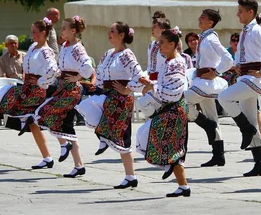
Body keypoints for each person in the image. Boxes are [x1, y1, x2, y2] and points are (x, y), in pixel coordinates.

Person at [75, 22, 143, 189]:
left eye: (112, 31)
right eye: (109, 31)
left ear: (121, 35)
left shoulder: (127, 55)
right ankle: (105, 136)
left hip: (120, 99)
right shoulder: (108, 54)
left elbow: (139, 76)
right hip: (106, 95)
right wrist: (94, 85)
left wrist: (128, 90)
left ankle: (130, 176)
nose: (109, 34)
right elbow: (99, 73)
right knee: (85, 107)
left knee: (122, 137)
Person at [218, 0, 261, 177]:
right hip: (244, 78)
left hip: (253, 80)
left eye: (240, 11)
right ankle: (260, 163)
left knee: (224, 97)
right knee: (251, 118)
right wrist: (238, 64)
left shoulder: (256, 31)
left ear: (250, 12)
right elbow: (244, 53)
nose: (237, 14)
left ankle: (246, 129)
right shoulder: (246, 30)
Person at [34, 16, 94, 177]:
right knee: (64, 124)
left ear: (73, 31)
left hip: (71, 89)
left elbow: (88, 66)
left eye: (65, 28)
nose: (62, 31)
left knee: (47, 114)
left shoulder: (77, 48)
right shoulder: (66, 46)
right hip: (62, 87)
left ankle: (65, 146)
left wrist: (78, 77)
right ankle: (78, 165)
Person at [0, 19, 59, 169]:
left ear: (44, 33)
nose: (32, 35)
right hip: (27, 86)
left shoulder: (46, 51)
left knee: (35, 117)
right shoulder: (32, 47)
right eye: (32, 31)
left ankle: (64, 143)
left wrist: (42, 81)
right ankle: (47, 157)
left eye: (35, 32)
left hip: (36, 89)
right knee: (33, 122)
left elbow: (53, 70)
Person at [136, 28, 191, 197]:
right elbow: (165, 86)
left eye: (162, 42)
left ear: (172, 44)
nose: (158, 45)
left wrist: (152, 88)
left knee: (163, 143)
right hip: (169, 108)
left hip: (174, 109)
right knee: (157, 140)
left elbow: (173, 90)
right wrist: (151, 84)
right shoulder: (168, 62)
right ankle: (182, 185)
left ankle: (181, 183)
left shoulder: (176, 63)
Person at [185, 9, 233, 167]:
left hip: (206, 83)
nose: (199, 19)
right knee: (212, 116)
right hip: (201, 80)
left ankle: (205, 124)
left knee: (182, 102)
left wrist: (216, 72)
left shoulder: (211, 39)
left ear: (210, 22)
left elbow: (227, 58)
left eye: (203, 17)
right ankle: (218, 155)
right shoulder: (205, 37)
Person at [137, 15, 171, 118]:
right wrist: (144, 76)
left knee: (143, 102)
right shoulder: (151, 45)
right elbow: (150, 66)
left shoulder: (168, 45)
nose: (152, 28)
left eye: (155, 26)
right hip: (151, 80)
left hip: (161, 82)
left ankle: (158, 120)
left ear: (163, 30)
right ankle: (156, 121)